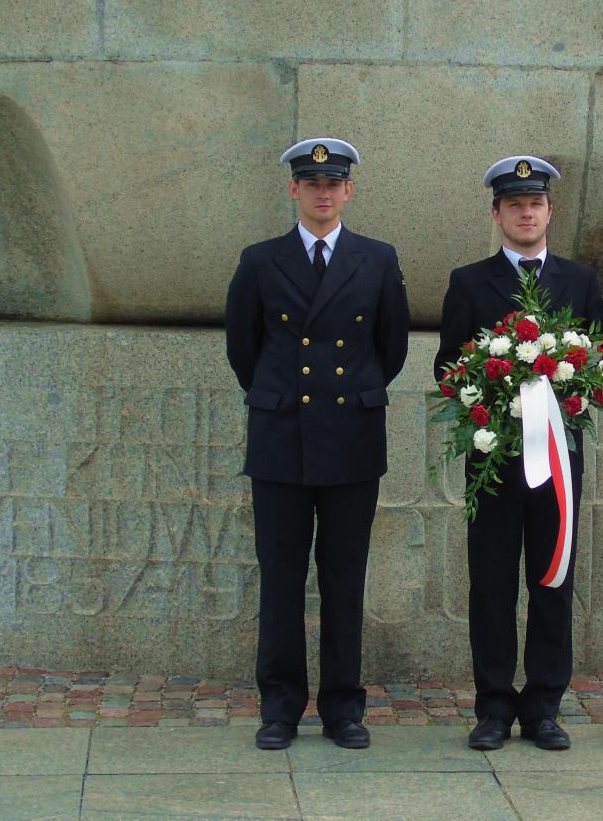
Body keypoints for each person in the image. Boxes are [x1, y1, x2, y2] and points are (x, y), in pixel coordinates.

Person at [225, 137, 410, 751]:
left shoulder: (377, 258)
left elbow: (392, 349)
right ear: (294, 190)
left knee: (343, 578)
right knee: (280, 578)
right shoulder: (259, 260)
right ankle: (279, 705)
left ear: (349, 191)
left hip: (351, 438)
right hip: (281, 438)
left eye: (334, 184)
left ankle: (342, 707)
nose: (323, 192)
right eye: (312, 183)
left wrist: (351, 395)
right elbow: (243, 350)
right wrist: (280, 397)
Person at [434, 156, 603, 752]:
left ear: (550, 211)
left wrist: (567, 387)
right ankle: (492, 707)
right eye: (514, 205)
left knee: (552, 579)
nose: (526, 212)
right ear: (497, 213)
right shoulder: (469, 281)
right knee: (490, 584)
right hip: (493, 460)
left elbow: (600, 366)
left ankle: (544, 708)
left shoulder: (580, 280)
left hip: (557, 463)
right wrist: (493, 384)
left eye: (535, 203)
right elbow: (448, 369)